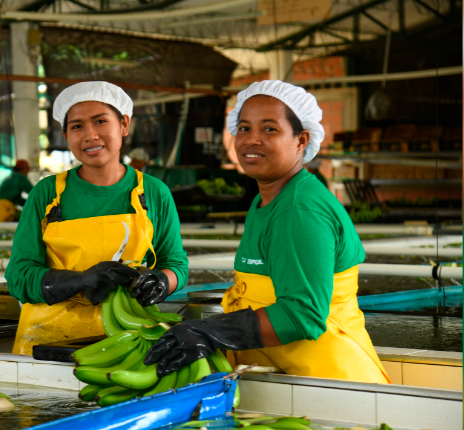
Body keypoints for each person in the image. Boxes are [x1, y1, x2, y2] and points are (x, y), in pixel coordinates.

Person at [144, 80, 390, 382]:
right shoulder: (269, 198)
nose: (252, 140)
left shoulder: (300, 209)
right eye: (244, 128)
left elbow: (302, 315)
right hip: (287, 378)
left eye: (269, 129)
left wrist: (210, 331)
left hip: (330, 384)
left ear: (301, 140)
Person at [5, 81, 190, 356]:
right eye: (77, 126)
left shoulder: (153, 192)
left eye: (100, 121)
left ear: (124, 125)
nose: (90, 135)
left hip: (132, 338)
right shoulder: (46, 194)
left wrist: (162, 281)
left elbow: (175, 264)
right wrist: (78, 282)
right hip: (49, 344)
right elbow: (19, 277)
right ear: (66, 135)